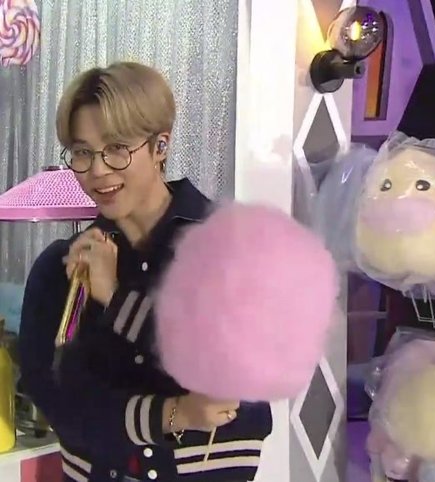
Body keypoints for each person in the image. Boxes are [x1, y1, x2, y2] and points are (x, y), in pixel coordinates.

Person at [19, 62, 272, 482]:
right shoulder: (61, 269)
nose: (98, 170)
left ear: (160, 146)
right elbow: (62, 405)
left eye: (117, 147)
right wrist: (174, 413)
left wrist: (118, 300)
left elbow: (239, 398)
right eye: (82, 152)